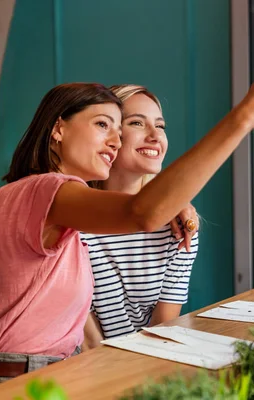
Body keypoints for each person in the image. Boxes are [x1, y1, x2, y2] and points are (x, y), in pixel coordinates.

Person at [0, 60, 254, 388]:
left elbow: (141, 212)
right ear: (59, 128)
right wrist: (244, 117)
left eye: (119, 130)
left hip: (59, 374)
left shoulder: (63, 210)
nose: (115, 142)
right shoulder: (43, 191)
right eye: (103, 125)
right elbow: (142, 213)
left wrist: (175, 203)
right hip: (17, 380)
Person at [80, 85, 199, 346]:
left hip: (144, 366)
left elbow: (162, 331)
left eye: (161, 125)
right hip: (81, 371)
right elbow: (86, 342)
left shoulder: (179, 227)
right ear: (108, 135)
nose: (156, 136)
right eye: (137, 123)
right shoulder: (72, 218)